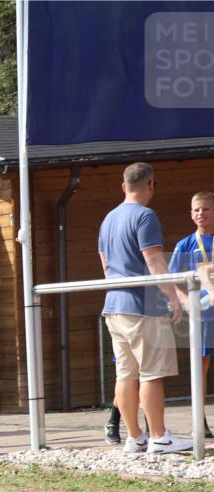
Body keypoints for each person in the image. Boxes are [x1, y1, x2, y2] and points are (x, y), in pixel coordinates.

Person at [98, 162, 191, 455]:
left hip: (113, 305)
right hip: (142, 307)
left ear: (123, 185)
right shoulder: (145, 216)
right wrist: (174, 296)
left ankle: (134, 437)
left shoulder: (108, 219)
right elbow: (153, 261)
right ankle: (159, 437)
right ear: (150, 185)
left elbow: (105, 265)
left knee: (126, 375)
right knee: (152, 373)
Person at [169, 191, 214, 439]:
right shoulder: (185, 245)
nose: (200, 214)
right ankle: (200, 421)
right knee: (201, 367)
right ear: (190, 214)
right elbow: (170, 280)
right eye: (196, 210)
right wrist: (185, 300)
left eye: (205, 209)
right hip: (205, 316)